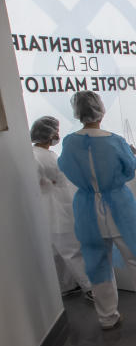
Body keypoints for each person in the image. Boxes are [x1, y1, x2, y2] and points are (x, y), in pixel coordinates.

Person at [58, 91, 136, 330]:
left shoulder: (69, 142)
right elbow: (130, 167)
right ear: (100, 110)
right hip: (119, 206)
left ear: (77, 112)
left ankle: (107, 317)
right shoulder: (113, 141)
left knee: (97, 262)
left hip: (86, 209)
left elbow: (64, 166)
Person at [30, 116, 94, 302]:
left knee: (60, 251)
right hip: (57, 210)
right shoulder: (38, 156)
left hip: (57, 208)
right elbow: (41, 184)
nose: (57, 134)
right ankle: (89, 287)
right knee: (72, 250)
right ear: (47, 134)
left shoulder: (44, 154)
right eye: (55, 131)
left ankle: (67, 286)